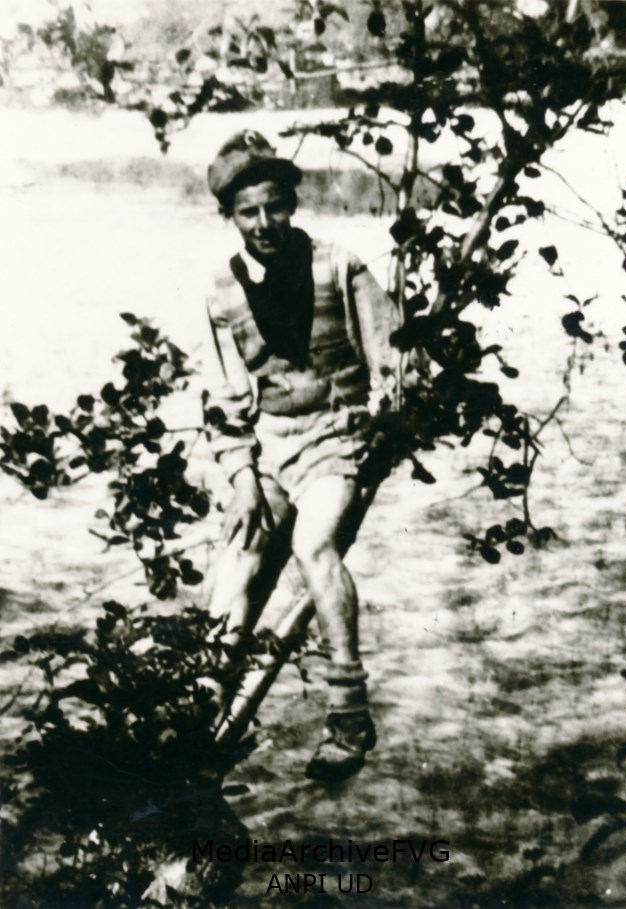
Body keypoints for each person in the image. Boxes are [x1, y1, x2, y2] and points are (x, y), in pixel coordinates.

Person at [202, 129, 395, 782]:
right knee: (238, 554)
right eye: (248, 212)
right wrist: (241, 477)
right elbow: (226, 399)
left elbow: (392, 362)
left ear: (291, 204)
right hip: (271, 449)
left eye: (275, 207)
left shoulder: (340, 266)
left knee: (314, 545)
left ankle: (349, 714)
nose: (264, 224)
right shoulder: (222, 293)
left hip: (337, 438)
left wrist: (380, 422)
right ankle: (201, 709)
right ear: (230, 216)